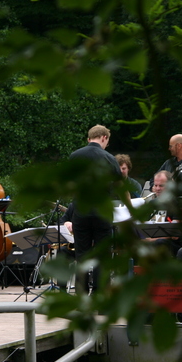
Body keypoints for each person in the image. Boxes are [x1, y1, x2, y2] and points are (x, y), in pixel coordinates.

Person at [69, 125, 123, 295]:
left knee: (81, 255)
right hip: (101, 211)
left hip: (81, 211)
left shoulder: (75, 156)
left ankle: (82, 296)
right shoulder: (109, 158)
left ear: (88, 139)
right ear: (104, 138)